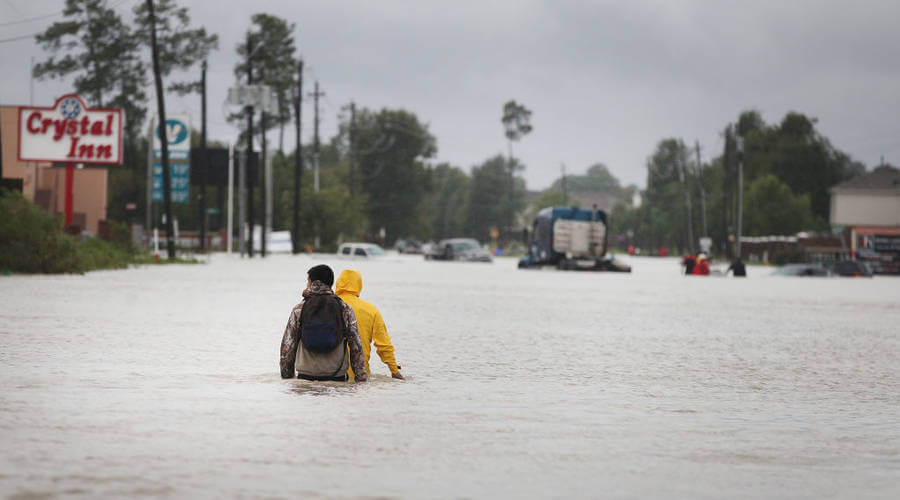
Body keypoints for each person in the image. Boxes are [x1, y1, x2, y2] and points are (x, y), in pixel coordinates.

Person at [280, 264, 368, 382]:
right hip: (337, 376)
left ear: (313, 282)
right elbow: (356, 345)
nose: (306, 284)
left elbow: (287, 346)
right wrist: (360, 378)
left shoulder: (299, 309)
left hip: (305, 377)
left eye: (308, 281)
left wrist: (287, 377)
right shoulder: (345, 308)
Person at [336, 269, 404, 380]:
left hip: (330, 374)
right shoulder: (371, 310)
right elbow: (384, 344)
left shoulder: (329, 305)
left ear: (338, 283)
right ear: (359, 285)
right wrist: (394, 370)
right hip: (359, 375)